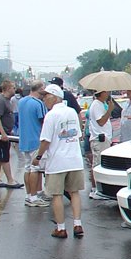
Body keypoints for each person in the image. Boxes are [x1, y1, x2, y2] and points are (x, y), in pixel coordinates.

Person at [32, 84, 85, 239]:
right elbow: (78, 134)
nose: (44, 99)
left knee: (57, 195)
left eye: (46, 96)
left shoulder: (51, 115)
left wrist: (39, 157)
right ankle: (77, 224)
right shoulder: (72, 112)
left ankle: (61, 228)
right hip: (74, 159)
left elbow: (45, 140)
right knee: (74, 192)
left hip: (57, 161)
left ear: (55, 97)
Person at [18, 81, 49, 207]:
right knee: (35, 168)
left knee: (28, 168)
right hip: (36, 139)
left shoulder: (22, 102)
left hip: (24, 139)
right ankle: (34, 197)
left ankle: (29, 194)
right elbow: (44, 122)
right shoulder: (38, 103)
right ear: (40, 89)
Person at [0, 80, 23, 189]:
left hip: (6, 131)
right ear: (7, 89)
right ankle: (10, 180)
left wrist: (9, 130)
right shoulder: (1, 100)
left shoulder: (8, 100)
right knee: (4, 157)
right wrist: (3, 133)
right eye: (13, 87)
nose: (15, 89)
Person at [86, 89, 114, 199]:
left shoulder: (101, 104)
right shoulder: (96, 105)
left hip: (104, 138)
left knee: (100, 164)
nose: (108, 94)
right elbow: (101, 122)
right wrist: (109, 110)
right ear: (101, 93)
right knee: (97, 165)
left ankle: (99, 189)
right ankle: (95, 190)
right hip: (100, 139)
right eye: (106, 92)